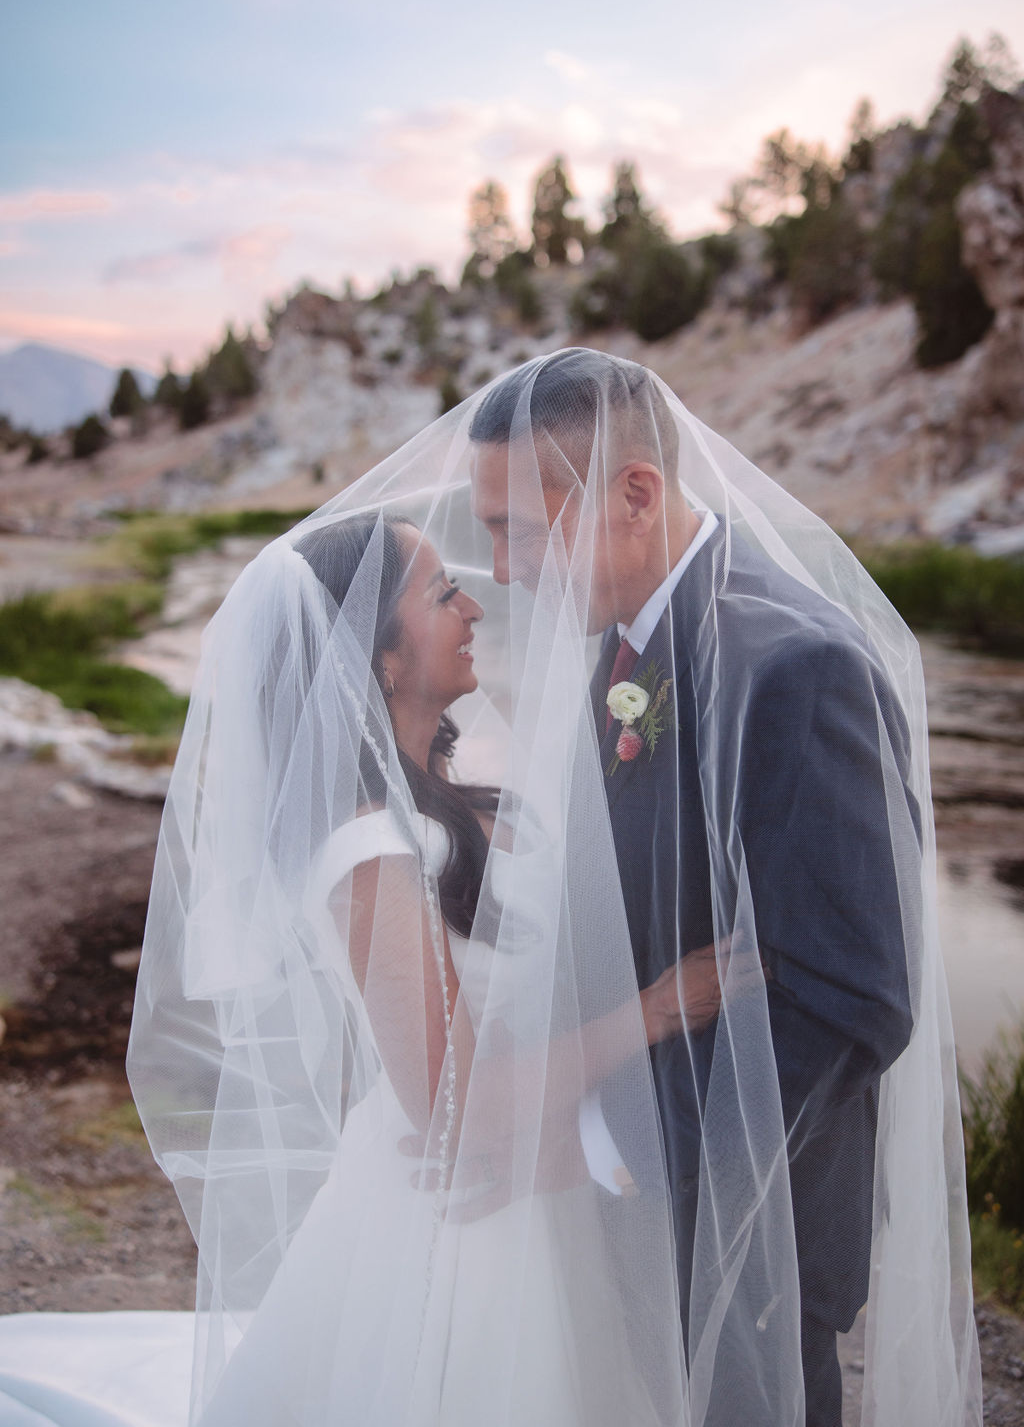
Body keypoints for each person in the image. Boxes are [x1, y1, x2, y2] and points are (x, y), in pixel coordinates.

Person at [128, 348, 980, 1427]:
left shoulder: (795, 665)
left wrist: (590, 1145)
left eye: (517, 532)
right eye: (473, 550)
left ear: (633, 494)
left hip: (735, 1217)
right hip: (579, 1224)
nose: (504, 573)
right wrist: (644, 1023)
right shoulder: (619, 645)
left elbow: (851, 991)